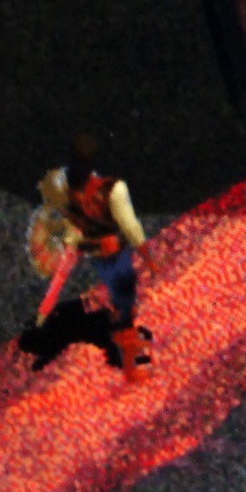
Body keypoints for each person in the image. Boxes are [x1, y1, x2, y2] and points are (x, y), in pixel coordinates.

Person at [36, 133, 158, 382]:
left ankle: (126, 336)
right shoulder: (110, 189)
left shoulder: (64, 188)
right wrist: (148, 257)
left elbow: (68, 219)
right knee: (124, 303)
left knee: (122, 299)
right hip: (111, 254)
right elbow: (130, 227)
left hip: (98, 253)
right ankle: (129, 366)